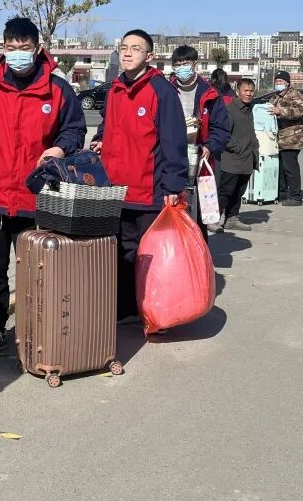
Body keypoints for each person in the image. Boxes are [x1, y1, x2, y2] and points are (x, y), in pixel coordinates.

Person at [0, 18, 86, 358]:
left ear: (38, 49)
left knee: (37, 271)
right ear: (3, 48)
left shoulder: (58, 90)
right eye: (11, 48)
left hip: (35, 198)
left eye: (24, 48)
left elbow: (74, 130)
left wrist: (60, 148)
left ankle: (35, 332)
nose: (17, 55)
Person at [90, 30, 186, 322]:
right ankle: (125, 309)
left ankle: (156, 312)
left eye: (136, 48)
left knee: (150, 256)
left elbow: (173, 141)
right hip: (115, 189)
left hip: (148, 190)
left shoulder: (161, 91)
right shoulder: (115, 89)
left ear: (149, 56)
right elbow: (108, 124)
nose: (128, 53)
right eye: (124, 48)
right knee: (120, 253)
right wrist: (100, 138)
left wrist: (173, 185)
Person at [168, 45, 231, 236]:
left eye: (185, 63)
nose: (181, 68)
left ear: (195, 64)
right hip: (171, 158)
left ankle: (199, 248)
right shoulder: (166, 90)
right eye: (177, 64)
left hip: (201, 159)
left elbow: (221, 128)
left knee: (198, 214)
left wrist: (210, 146)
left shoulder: (210, 93)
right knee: (172, 209)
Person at [218, 78, 259, 232]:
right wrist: (239, 148)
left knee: (239, 192)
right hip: (232, 160)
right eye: (245, 91)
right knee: (226, 191)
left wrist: (255, 149)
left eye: (251, 91)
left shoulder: (249, 110)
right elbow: (224, 135)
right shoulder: (230, 110)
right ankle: (214, 219)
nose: (249, 94)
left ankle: (232, 218)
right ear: (237, 92)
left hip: (247, 159)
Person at [268, 71, 303, 206]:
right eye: (276, 81)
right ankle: (281, 193)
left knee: (290, 168)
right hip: (279, 138)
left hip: (292, 138)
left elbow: (299, 111)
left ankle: (296, 196)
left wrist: (280, 112)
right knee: (281, 168)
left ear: (287, 83)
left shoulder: (294, 95)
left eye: (280, 81)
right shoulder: (275, 97)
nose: (278, 83)